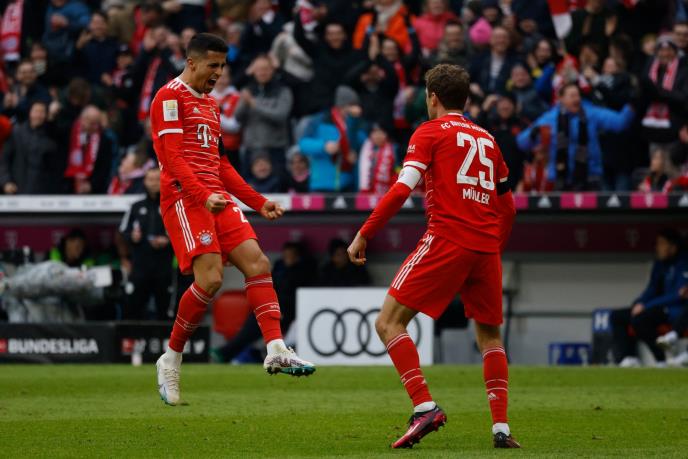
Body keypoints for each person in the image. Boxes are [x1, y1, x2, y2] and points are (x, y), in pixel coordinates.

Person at [347, 64, 519, 449]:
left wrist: (364, 232)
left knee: (388, 322)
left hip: (446, 239)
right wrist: (493, 245)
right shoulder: (489, 140)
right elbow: (508, 208)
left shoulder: (429, 132)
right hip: (485, 248)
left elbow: (401, 188)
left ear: (433, 97)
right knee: (490, 337)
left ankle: (424, 406)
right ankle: (501, 429)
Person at [150, 33, 314, 406]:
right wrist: (202, 195)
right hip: (184, 197)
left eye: (222, 66)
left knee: (258, 263)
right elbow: (173, 159)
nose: (218, 73)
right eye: (212, 65)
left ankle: (276, 348)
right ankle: (171, 357)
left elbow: (221, 164)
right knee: (210, 280)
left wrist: (258, 202)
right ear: (191, 62)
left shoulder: (211, 105)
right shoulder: (169, 97)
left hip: (216, 197)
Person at [609, 229, 688, 367]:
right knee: (617, 316)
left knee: (640, 319)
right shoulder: (660, 264)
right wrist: (639, 303)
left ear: (673, 247)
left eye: (662, 244)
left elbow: (679, 294)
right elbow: (652, 289)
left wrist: (646, 306)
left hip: (675, 310)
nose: (658, 247)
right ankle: (628, 358)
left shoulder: (684, 262)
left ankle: (661, 359)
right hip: (657, 307)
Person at [119, 167, 174, 320]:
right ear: (144, 181)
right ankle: (132, 335)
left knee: (165, 311)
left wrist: (168, 240)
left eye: (157, 179)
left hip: (164, 269)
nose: (154, 183)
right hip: (140, 268)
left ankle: (166, 336)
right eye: (150, 179)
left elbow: (184, 233)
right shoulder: (136, 207)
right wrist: (132, 237)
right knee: (133, 310)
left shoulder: (173, 206)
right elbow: (123, 231)